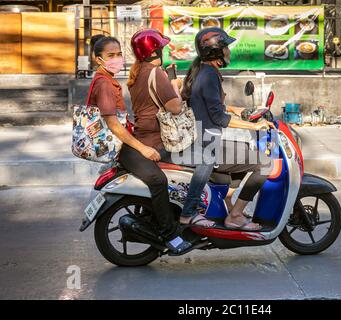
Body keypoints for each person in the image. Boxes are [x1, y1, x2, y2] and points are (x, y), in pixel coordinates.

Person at [89, 34, 192, 254]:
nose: (117, 59)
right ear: (98, 59)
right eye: (111, 56)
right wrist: (143, 148)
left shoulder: (110, 80)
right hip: (126, 148)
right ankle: (170, 235)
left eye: (118, 54)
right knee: (157, 180)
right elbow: (114, 126)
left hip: (127, 144)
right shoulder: (104, 84)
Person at [179, 27, 274, 231]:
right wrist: (255, 125)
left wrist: (237, 110)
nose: (229, 52)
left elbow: (208, 105)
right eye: (226, 48)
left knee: (245, 156)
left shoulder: (203, 72)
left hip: (206, 140)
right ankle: (236, 216)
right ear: (215, 52)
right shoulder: (209, 75)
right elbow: (219, 118)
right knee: (264, 163)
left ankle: (230, 204)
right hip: (208, 144)